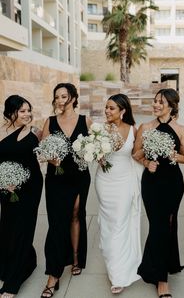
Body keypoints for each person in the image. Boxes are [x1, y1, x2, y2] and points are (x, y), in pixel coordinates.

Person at [133, 88, 184, 298]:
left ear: (171, 105)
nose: (156, 105)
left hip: (173, 184)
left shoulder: (181, 130)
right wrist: (147, 162)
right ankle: (161, 273)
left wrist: (174, 155)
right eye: (155, 101)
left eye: (161, 102)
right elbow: (135, 153)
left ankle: (162, 275)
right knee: (158, 225)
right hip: (151, 183)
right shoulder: (145, 127)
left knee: (167, 224)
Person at [40, 83, 92, 298]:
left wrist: (92, 153)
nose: (61, 100)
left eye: (64, 96)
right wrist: (51, 159)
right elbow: (42, 149)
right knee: (56, 222)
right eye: (57, 97)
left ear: (73, 97)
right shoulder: (50, 122)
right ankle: (54, 274)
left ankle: (76, 257)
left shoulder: (85, 121)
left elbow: (94, 147)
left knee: (75, 216)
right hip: (56, 177)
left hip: (79, 176)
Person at [95, 93, 142, 295]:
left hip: (124, 182)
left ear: (123, 111)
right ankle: (113, 262)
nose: (107, 111)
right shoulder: (99, 129)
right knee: (108, 224)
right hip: (104, 182)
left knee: (120, 223)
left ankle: (118, 274)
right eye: (106, 107)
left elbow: (136, 155)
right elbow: (93, 153)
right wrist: (98, 155)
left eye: (112, 108)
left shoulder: (133, 129)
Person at [0, 95, 43, 298]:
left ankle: (13, 283)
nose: (27, 114)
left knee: (23, 228)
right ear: (11, 112)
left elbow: (42, 157)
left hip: (30, 187)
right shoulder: (0, 131)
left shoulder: (34, 133)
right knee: (8, 227)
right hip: (5, 187)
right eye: (22, 111)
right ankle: (26, 260)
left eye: (28, 110)